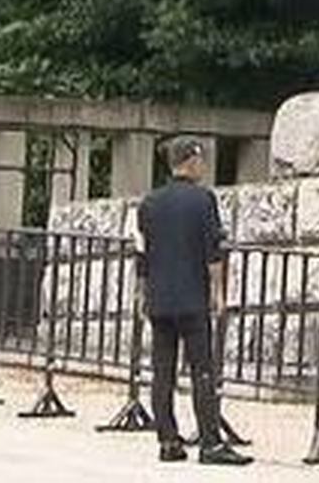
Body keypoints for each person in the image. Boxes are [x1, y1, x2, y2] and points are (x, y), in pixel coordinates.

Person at [136, 136, 250, 467]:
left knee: (162, 370)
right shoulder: (203, 200)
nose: (204, 165)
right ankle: (210, 441)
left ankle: (168, 439)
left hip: (160, 296)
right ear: (191, 160)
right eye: (201, 158)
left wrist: (142, 292)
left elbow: (141, 253)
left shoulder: (149, 203)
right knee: (202, 370)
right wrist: (218, 293)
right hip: (191, 296)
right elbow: (211, 252)